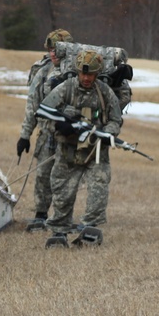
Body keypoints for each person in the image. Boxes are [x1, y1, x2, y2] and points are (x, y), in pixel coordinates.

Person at [39, 49, 123, 247]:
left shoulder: (104, 92)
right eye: (84, 73)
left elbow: (115, 120)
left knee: (98, 190)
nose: (86, 78)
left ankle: (90, 229)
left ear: (97, 74)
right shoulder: (64, 89)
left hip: (95, 152)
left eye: (91, 74)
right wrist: (61, 126)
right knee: (62, 193)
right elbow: (44, 114)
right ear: (78, 72)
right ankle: (59, 231)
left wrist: (105, 133)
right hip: (67, 151)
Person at [16, 29, 71, 232]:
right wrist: (25, 135)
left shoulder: (79, 70)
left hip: (70, 135)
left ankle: (62, 216)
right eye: (50, 49)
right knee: (42, 175)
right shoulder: (43, 71)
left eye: (56, 49)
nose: (53, 53)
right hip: (47, 133)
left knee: (64, 177)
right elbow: (32, 105)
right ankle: (40, 214)